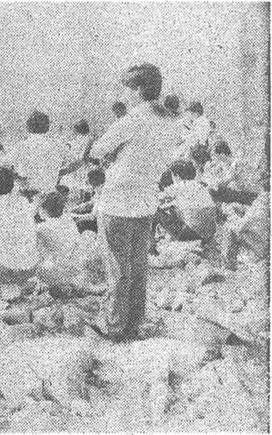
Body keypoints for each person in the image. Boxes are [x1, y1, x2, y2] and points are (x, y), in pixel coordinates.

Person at [88, 63, 181, 342]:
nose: (124, 96)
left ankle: (113, 326)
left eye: (126, 89)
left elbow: (97, 149)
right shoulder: (171, 120)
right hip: (146, 201)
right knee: (139, 268)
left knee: (118, 269)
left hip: (118, 200)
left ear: (138, 89)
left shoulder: (134, 118)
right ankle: (133, 323)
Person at [0, 110, 68, 199]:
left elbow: (2, 166)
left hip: (26, 194)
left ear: (29, 127)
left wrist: (19, 179)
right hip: (49, 196)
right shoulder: (57, 144)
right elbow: (77, 162)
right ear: (47, 126)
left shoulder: (21, 145)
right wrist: (58, 174)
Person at [156, 160, 217, 245]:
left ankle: (153, 245)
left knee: (157, 211)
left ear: (176, 175)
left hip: (193, 234)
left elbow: (157, 199)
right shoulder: (200, 185)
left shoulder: (178, 186)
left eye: (172, 176)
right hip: (210, 231)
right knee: (176, 209)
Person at [219, 172, 269, 270]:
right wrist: (240, 207)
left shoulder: (263, 200)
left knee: (229, 229)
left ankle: (227, 267)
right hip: (265, 238)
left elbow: (241, 227)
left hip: (262, 246)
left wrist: (230, 212)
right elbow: (256, 213)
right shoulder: (265, 198)